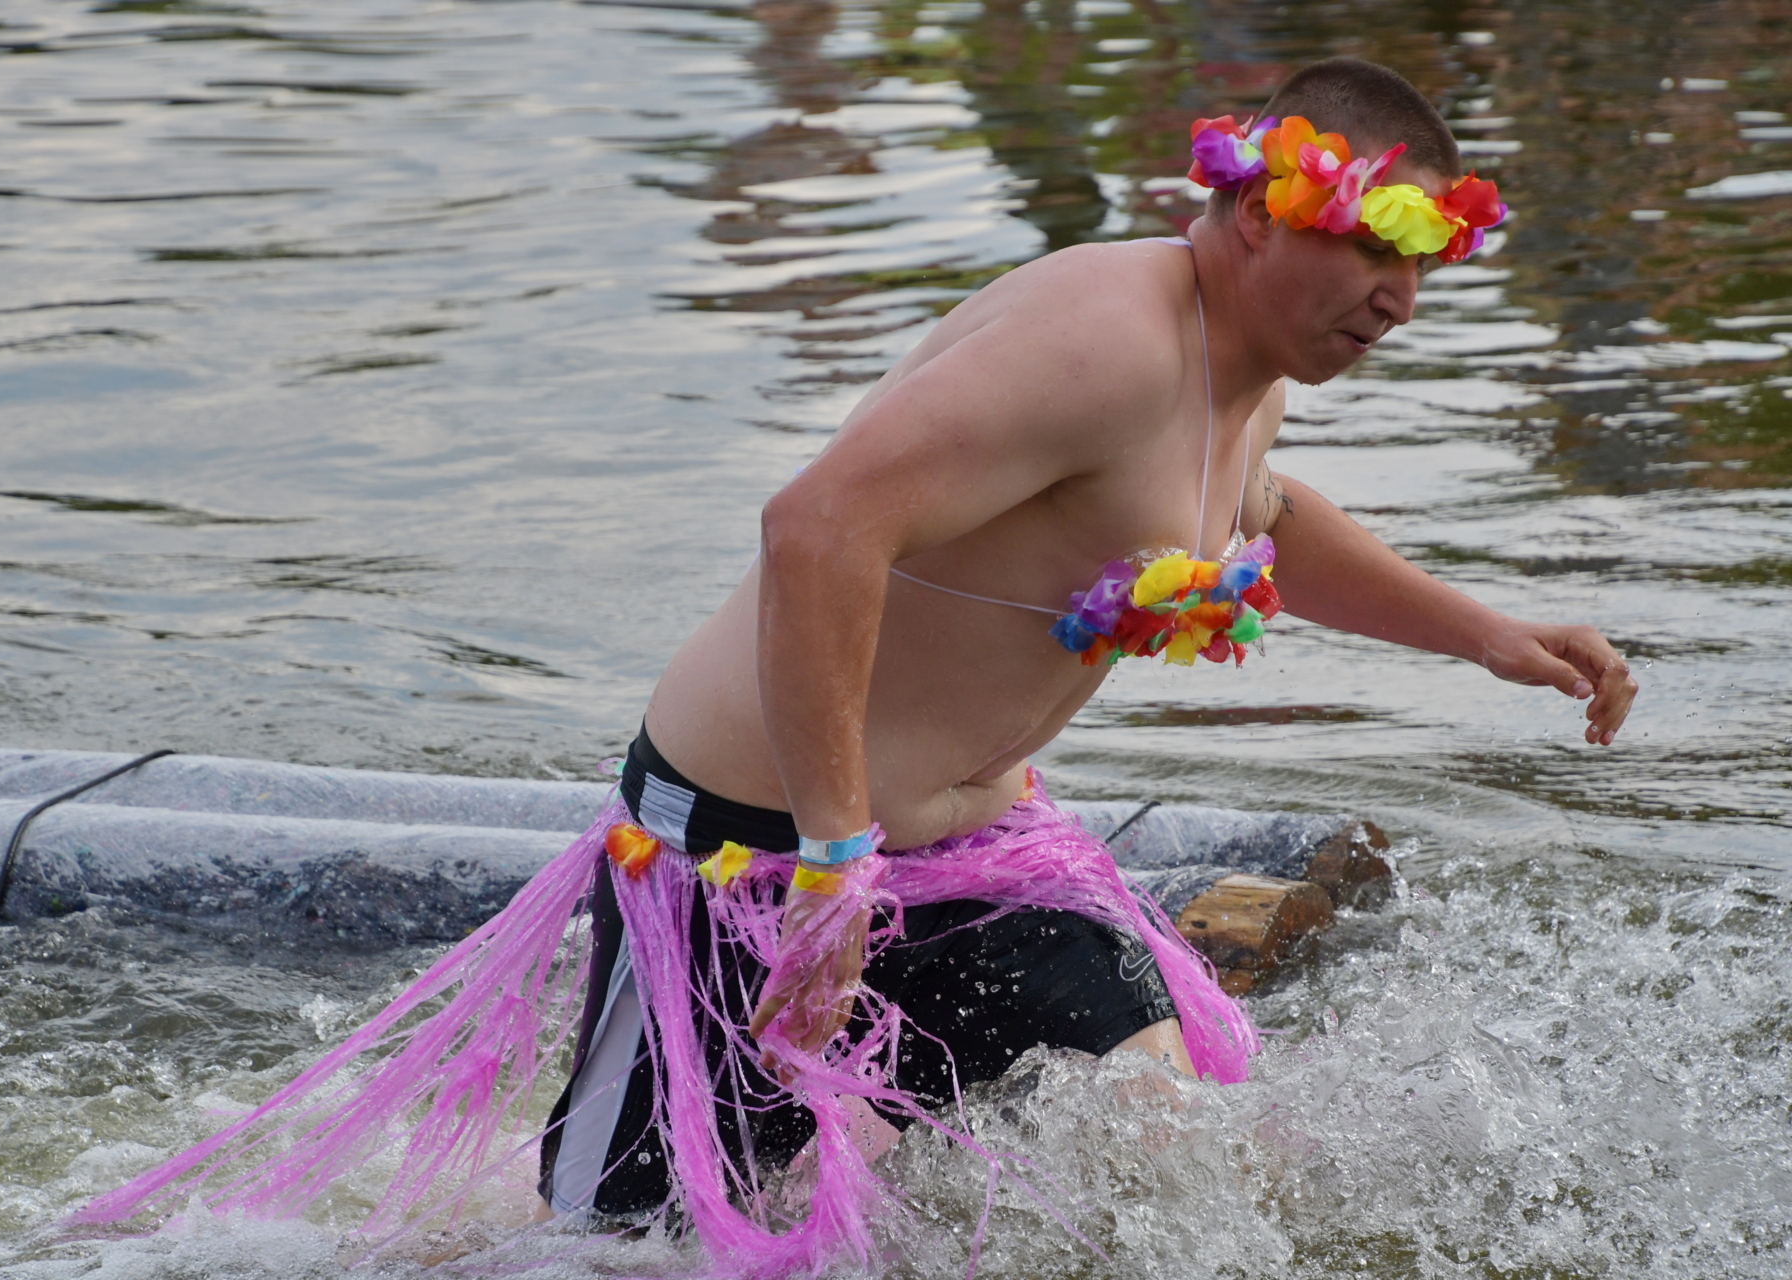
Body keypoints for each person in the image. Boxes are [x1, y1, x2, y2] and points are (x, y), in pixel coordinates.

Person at [79, 56, 1637, 1274]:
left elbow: (1265, 525)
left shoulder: (1251, 377)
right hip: (753, 855)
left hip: (984, 854)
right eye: (1370, 247)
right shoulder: (1109, 338)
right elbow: (818, 528)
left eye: (1421, 261)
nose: (1399, 296)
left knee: (1197, 1151)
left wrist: (1487, 634)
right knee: (616, 1248)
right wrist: (832, 861)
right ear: (1254, 212)